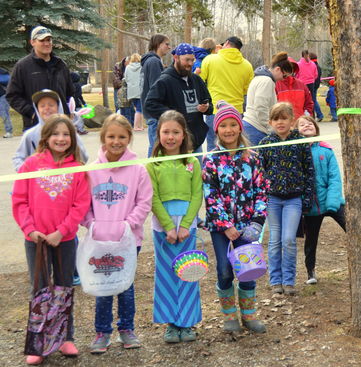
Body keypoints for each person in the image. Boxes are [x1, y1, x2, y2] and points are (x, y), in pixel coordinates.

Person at [12, 114, 90, 365]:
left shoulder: (77, 168)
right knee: (41, 288)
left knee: (64, 286)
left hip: (64, 239)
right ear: (45, 137)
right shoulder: (30, 165)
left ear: (73, 138)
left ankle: (65, 336)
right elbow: (19, 200)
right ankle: (39, 341)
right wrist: (30, 229)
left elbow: (80, 204)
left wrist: (63, 230)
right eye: (55, 133)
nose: (61, 138)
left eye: (66, 134)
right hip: (36, 239)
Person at [83, 114, 152, 353]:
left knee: (125, 285)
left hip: (128, 240)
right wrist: (93, 225)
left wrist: (128, 225)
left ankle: (127, 329)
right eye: (111, 136)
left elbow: (144, 202)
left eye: (122, 137)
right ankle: (102, 331)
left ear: (129, 138)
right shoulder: (92, 171)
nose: (116, 141)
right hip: (100, 241)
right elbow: (84, 204)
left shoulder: (138, 170)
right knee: (103, 286)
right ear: (103, 138)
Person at [202, 101, 269, 334]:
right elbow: (210, 196)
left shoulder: (253, 158)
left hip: (248, 225)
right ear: (216, 129)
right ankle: (229, 316)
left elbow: (261, 191)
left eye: (233, 125)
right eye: (223, 126)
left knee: (247, 270)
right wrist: (226, 225)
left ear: (240, 128)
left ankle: (249, 316)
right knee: (223, 269)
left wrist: (257, 222)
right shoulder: (211, 160)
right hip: (221, 227)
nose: (228, 130)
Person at [147, 110, 203, 343]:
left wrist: (186, 226)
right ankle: (171, 323)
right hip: (164, 230)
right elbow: (153, 198)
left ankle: (187, 322)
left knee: (188, 274)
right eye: (166, 132)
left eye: (175, 132)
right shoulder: (153, 165)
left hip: (187, 228)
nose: (170, 137)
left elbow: (197, 195)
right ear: (158, 134)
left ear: (183, 135)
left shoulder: (192, 163)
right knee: (167, 275)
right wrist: (169, 227)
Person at [259, 102, 314, 296]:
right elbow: (260, 173)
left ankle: (289, 281)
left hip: (294, 199)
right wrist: (262, 199)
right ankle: (276, 281)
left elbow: (309, 171)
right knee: (275, 240)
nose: (280, 122)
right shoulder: (265, 143)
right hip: (273, 200)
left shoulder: (299, 141)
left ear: (292, 120)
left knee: (289, 239)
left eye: (284, 118)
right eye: (276, 119)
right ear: (270, 122)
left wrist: (306, 199)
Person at [296, 115, 345, 285]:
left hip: (331, 201)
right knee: (311, 240)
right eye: (302, 124)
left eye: (310, 123)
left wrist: (332, 203)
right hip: (311, 207)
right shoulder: (296, 151)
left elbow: (335, 178)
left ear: (316, 128)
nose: (307, 125)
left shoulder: (326, 149)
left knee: (352, 228)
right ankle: (310, 271)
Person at [144, 43, 212, 156]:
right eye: (187, 60)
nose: (190, 64)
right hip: (174, 144)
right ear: (176, 58)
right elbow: (150, 104)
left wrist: (206, 108)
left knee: (196, 173)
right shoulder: (165, 80)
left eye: (192, 60)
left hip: (196, 141)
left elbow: (209, 102)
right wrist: (172, 115)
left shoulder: (197, 80)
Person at [6, 26, 74, 132]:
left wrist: (70, 113)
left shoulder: (61, 65)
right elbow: (12, 95)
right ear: (32, 42)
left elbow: (70, 93)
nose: (47, 43)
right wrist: (32, 113)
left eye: (49, 40)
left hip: (61, 127)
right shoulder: (23, 66)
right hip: (35, 127)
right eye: (42, 40)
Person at [12, 89, 89, 171]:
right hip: (39, 181)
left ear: (58, 107)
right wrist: (29, 174)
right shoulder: (30, 135)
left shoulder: (70, 132)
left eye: (51, 105)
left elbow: (83, 157)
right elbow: (18, 158)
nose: (47, 108)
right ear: (37, 109)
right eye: (42, 106)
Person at [200, 36, 254, 151]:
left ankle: (213, 167)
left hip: (215, 109)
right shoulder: (247, 65)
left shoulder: (210, 59)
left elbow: (200, 81)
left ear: (227, 43)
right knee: (235, 143)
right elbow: (247, 90)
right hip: (236, 111)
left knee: (213, 145)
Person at [242, 51, 293, 145]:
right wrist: (271, 128)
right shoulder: (267, 81)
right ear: (278, 69)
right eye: (284, 75)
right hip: (256, 129)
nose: (284, 79)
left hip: (252, 127)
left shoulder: (261, 78)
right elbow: (261, 107)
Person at [141, 33, 171, 156]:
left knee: (154, 144)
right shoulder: (153, 62)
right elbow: (156, 88)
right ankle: (151, 173)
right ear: (158, 44)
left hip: (150, 109)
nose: (169, 47)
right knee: (156, 146)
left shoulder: (151, 60)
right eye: (167, 44)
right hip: (154, 110)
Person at [124, 53, 144, 130]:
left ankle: (140, 126)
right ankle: (136, 126)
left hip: (131, 90)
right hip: (140, 90)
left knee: (138, 108)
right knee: (139, 109)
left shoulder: (128, 67)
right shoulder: (142, 67)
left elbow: (126, 78)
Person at [296, 50, 318, 116]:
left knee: (302, 100)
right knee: (312, 100)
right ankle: (312, 114)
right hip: (311, 83)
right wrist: (312, 79)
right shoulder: (313, 64)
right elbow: (315, 74)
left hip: (302, 83)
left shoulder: (298, 64)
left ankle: (303, 114)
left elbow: (296, 74)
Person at [310, 52, 324, 122]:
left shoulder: (313, 66)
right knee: (313, 100)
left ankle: (319, 114)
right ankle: (318, 115)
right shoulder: (317, 66)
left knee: (313, 100)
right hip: (316, 85)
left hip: (313, 85)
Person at [0, 67, 12, 138]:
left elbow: (8, 80)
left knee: (4, 113)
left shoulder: (1, 71)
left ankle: (9, 131)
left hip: (2, 96)